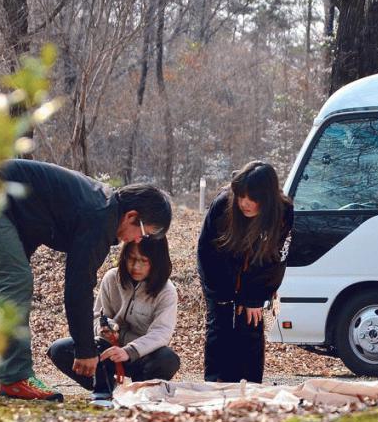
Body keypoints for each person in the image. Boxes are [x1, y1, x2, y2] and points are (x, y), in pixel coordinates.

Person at [0, 159, 171, 401]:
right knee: (15, 283)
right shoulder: (101, 217)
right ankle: (15, 377)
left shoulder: (99, 206)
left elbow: (34, 220)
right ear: (131, 216)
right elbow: (78, 286)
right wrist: (86, 350)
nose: (139, 241)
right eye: (144, 233)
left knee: (1, 291)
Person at [47, 239, 180, 401]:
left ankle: (140, 391)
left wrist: (128, 351)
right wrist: (103, 327)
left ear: (157, 261)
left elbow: (161, 333)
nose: (135, 267)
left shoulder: (166, 290)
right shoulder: (112, 278)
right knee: (59, 349)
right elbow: (97, 315)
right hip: (108, 351)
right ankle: (105, 386)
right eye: (131, 258)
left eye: (144, 261)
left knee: (168, 359)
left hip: (142, 355)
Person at [197, 161, 293, 383]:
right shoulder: (223, 204)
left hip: (257, 274)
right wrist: (221, 295)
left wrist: (254, 297)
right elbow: (207, 253)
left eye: (252, 199)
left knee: (250, 323)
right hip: (222, 271)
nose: (245, 203)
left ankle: (250, 387)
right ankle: (216, 386)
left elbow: (277, 259)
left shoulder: (284, 212)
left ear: (267, 199)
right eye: (241, 196)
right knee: (220, 325)